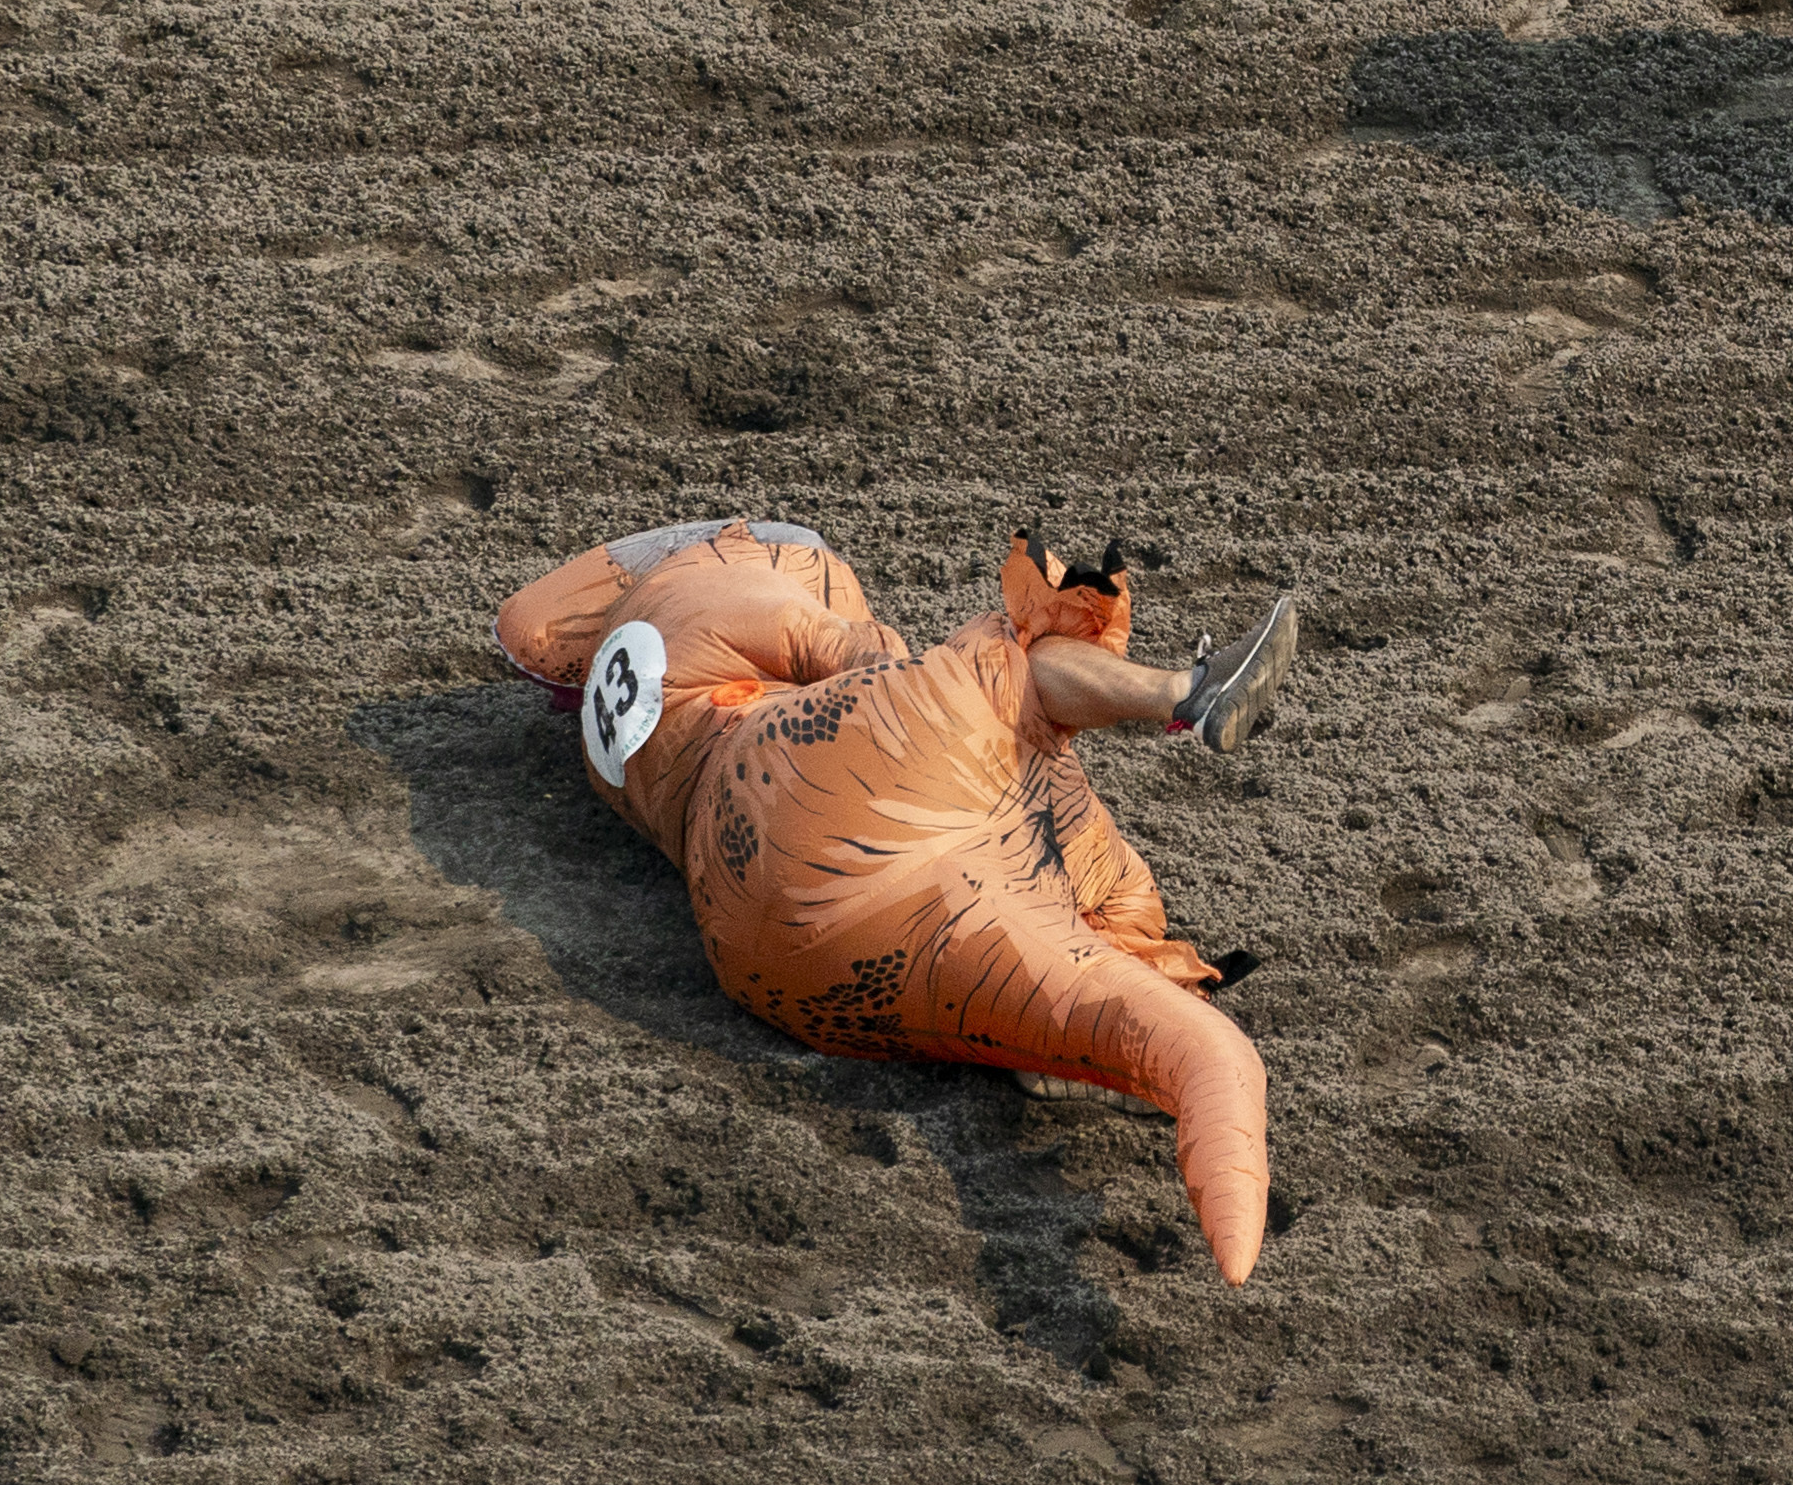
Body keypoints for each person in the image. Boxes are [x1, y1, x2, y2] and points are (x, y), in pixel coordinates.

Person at [495, 518, 1307, 1281]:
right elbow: (864, 652)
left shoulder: (648, 655)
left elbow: (528, 630)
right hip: (803, 794)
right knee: (1009, 657)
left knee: (1011, 758)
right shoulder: (741, 591)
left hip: (769, 954)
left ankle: (1068, 1036)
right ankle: (1187, 692)